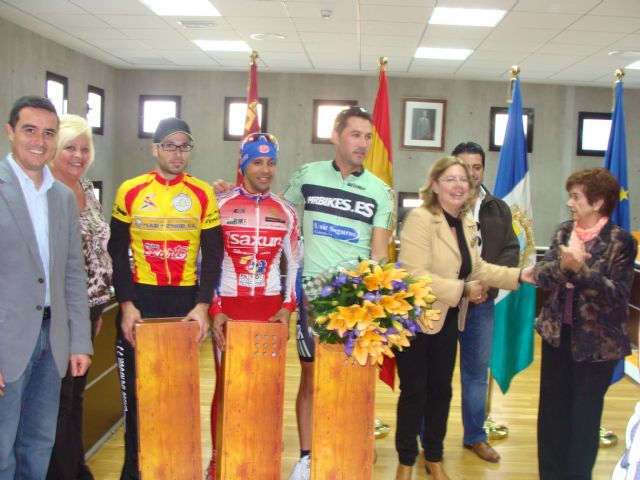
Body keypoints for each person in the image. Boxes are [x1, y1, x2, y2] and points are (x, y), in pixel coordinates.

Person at [395, 156, 532, 480]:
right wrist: (465, 289)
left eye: (463, 180)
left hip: (448, 321)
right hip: (416, 321)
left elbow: (479, 267)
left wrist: (520, 275)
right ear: (435, 185)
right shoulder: (420, 219)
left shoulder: (467, 222)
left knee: (441, 391)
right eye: (450, 179)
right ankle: (406, 461)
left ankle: (435, 457)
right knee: (415, 392)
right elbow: (413, 276)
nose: (459, 185)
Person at [107, 117, 223, 480]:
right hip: (140, 303)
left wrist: (202, 305)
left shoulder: (202, 193)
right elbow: (116, 250)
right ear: (155, 149)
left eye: (184, 146)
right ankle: (134, 473)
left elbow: (214, 254)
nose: (178, 153)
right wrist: (126, 304)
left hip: (183, 306)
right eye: (170, 146)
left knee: (178, 400)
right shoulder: (130, 189)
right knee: (139, 403)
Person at [283, 105, 394, 480]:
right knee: (311, 378)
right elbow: (278, 213)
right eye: (355, 135)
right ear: (336, 135)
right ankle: (307, 456)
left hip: (355, 300)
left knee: (353, 382)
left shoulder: (380, 191)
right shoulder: (307, 175)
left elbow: (379, 254)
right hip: (311, 293)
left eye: (367, 137)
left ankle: (349, 448)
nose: (362, 143)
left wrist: (372, 307)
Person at [0, 95, 92, 479]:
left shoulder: (61, 197)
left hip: (53, 339)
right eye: (30, 130)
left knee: (39, 444)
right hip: (8, 340)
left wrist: (79, 341)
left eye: (48, 133)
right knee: (2, 449)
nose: (39, 140)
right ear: (10, 133)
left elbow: (73, 273)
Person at [205, 132, 301, 480]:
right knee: (226, 388)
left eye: (271, 162)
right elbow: (206, 261)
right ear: (243, 163)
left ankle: (262, 461)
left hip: (269, 310)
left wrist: (288, 309)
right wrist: (215, 309)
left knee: (266, 391)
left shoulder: (286, 211)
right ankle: (218, 462)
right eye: (257, 162)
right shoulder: (219, 205)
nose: (265, 169)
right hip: (229, 308)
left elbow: (295, 265)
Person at [534, 167, 637, 480]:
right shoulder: (563, 232)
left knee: (583, 419)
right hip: (556, 339)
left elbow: (617, 294)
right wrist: (565, 268)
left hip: (596, 349)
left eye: (576, 196)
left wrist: (579, 270)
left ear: (598, 202)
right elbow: (544, 275)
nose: (569, 203)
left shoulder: (621, 242)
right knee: (551, 417)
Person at [47, 114, 113, 480]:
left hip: (87, 310)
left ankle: (74, 467)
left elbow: (97, 253)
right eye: (70, 147)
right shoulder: (46, 190)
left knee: (75, 398)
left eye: (85, 148)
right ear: (54, 149)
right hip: (57, 313)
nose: (78, 155)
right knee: (58, 401)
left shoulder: (86, 188)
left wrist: (97, 308)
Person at [451, 141, 519, 463]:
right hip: (444, 305)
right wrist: (460, 286)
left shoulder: (497, 208)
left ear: (482, 170)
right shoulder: (440, 207)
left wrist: (485, 286)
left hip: (482, 304)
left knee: (476, 374)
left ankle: (475, 436)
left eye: (476, 166)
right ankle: (428, 437)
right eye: (464, 166)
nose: (471, 173)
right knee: (433, 374)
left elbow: (510, 251)